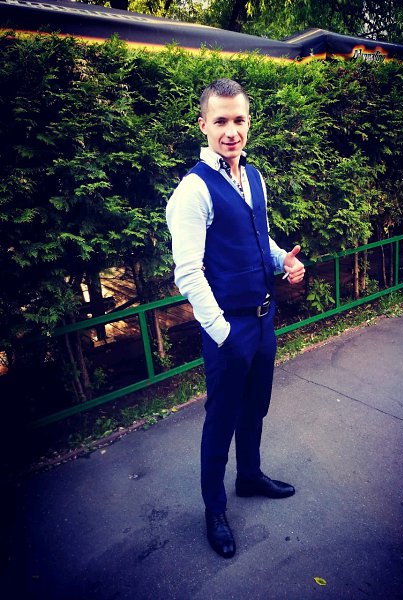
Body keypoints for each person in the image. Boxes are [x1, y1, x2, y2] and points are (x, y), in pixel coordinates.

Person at [166, 78, 305, 559]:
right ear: (203, 125)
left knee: (255, 407)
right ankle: (214, 510)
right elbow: (187, 273)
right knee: (221, 419)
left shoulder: (255, 176)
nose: (231, 131)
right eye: (220, 120)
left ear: (248, 123)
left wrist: (282, 261)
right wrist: (222, 331)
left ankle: (249, 476)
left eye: (239, 120)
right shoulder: (192, 191)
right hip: (229, 329)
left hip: (264, 319)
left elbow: (258, 237)